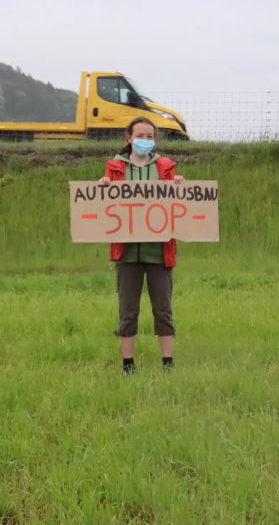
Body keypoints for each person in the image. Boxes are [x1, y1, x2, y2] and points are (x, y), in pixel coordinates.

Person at [100, 117, 184, 374]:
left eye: (150, 136)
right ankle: (127, 364)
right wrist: (102, 188)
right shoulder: (114, 168)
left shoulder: (165, 167)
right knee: (128, 309)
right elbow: (103, 206)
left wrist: (178, 186)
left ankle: (167, 363)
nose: (145, 140)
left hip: (159, 251)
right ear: (128, 138)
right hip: (127, 252)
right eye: (141, 135)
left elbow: (176, 205)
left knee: (163, 307)